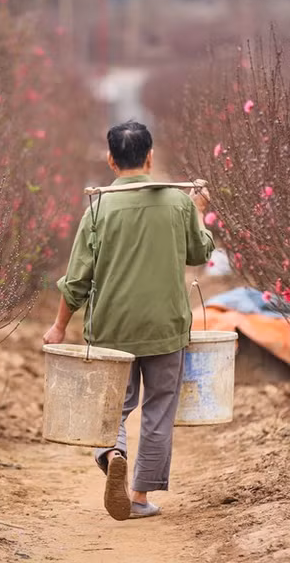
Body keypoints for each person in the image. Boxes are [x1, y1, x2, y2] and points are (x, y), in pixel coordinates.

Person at [42, 120, 215, 521]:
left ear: (111, 160)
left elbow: (78, 278)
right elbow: (199, 253)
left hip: (111, 328)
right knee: (159, 408)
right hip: (164, 327)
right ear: (150, 158)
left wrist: (59, 325)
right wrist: (199, 213)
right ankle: (138, 497)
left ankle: (111, 452)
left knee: (111, 407)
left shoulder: (98, 207)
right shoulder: (177, 204)